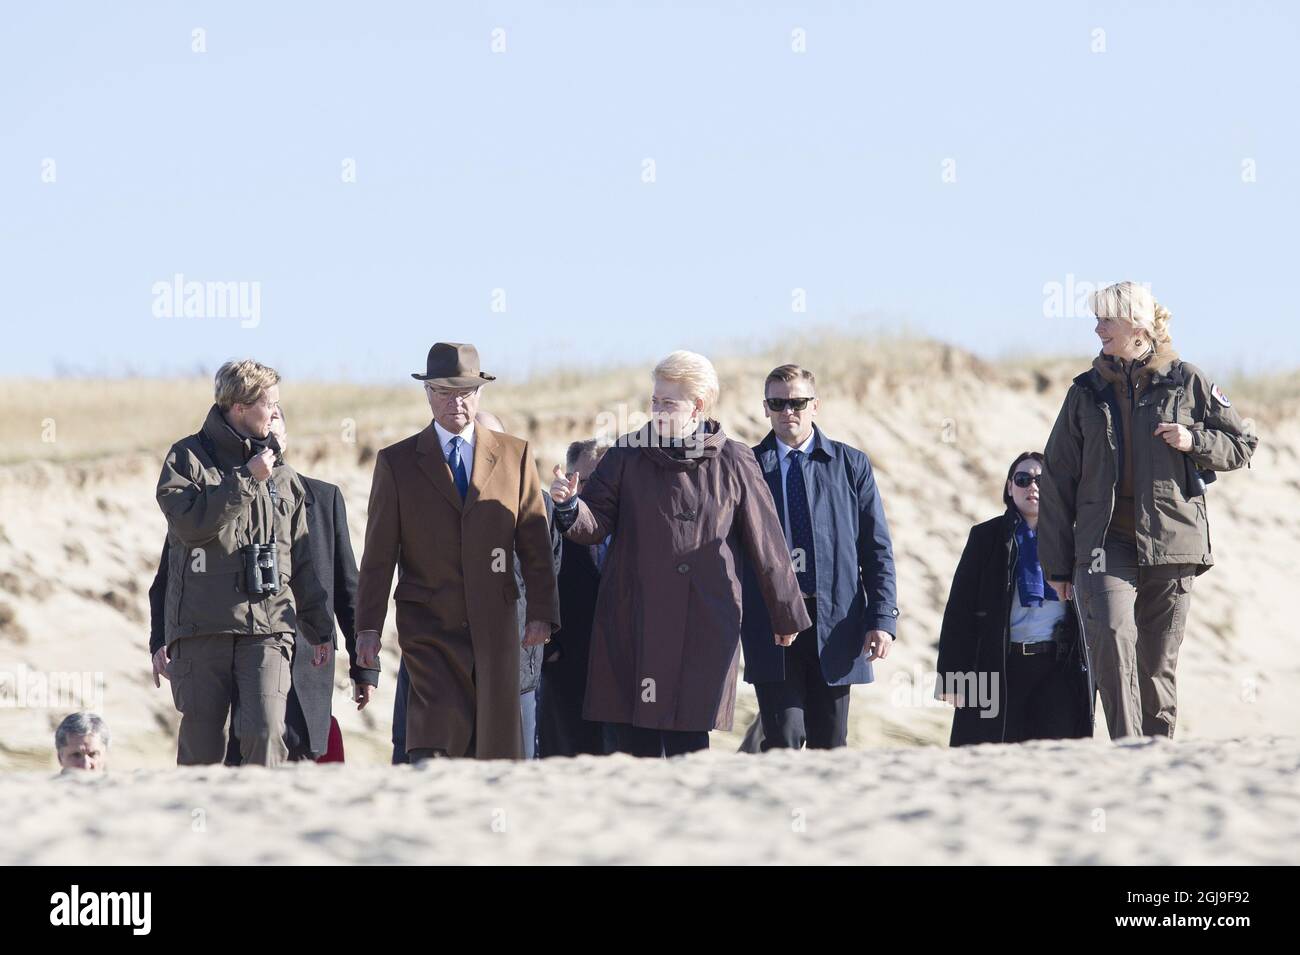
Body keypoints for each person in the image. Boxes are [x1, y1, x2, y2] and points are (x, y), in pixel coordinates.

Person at [549, 350, 809, 758]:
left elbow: (768, 543)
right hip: (635, 616)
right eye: (654, 400)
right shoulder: (626, 454)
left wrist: (786, 612)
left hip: (706, 619)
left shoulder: (735, 459)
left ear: (699, 405)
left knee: (691, 742)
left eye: (667, 402)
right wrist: (569, 507)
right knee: (638, 742)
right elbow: (594, 524)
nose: (656, 409)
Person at [1040, 282, 1258, 739]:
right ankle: (1125, 747)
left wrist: (1194, 440)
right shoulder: (1085, 392)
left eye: (1106, 320)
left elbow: (1242, 445)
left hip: (1172, 542)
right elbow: (1058, 478)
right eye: (1096, 318)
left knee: (1157, 661)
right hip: (1103, 545)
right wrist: (1057, 564)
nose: (1097, 328)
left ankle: (1157, 753)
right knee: (1113, 642)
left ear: (1137, 326)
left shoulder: (1187, 380)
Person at [355, 342, 559, 761]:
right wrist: (368, 629)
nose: (456, 402)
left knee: (496, 746)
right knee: (435, 739)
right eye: (445, 392)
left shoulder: (515, 454)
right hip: (428, 625)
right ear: (427, 393)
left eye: (465, 391)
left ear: (480, 393)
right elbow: (378, 557)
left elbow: (535, 541)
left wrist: (541, 611)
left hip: (497, 625)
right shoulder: (397, 463)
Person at [148, 412, 376, 763]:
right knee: (239, 757)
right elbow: (171, 574)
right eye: (263, 424)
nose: (268, 433)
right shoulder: (219, 497)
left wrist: (364, 668)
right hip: (241, 653)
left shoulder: (323, 497)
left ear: (284, 435)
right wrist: (160, 639)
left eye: (275, 424)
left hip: (306, 665)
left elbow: (347, 585)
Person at [155, 360, 334, 767]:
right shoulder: (185, 458)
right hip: (202, 629)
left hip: (268, 628)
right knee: (202, 747)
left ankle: (262, 826)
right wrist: (247, 479)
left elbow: (301, 558)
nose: (274, 413)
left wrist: (320, 626)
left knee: (266, 732)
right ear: (238, 406)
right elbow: (190, 526)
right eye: (267, 404)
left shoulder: (284, 476)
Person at [740, 364, 899, 750]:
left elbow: (876, 549)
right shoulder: (747, 466)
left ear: (816, 405)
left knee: (831, 742)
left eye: (797, 402)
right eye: (777, 403)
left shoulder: (851, 464)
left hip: (836, 624)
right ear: (765, 408)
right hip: (772, 624)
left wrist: (882, 618)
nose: (787, 411)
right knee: (784, 739)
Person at [390, 409, 561, 762]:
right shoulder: (431, 491)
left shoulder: (536, 502)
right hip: (438, 649)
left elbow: (547, 569)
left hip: (512, 658)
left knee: (513, 762)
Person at [936, 452, 1093, 745]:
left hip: (1059, 667)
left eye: (1042, 480)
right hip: (1000, 665)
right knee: (987, 751)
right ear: (1010, 488)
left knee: (1056, 756)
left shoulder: (1075, 538)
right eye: (1023, 480)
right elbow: (960, 610)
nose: (1032, 487)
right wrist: (952, 678)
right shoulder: (987, 537)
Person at [538, 439, 612, 758]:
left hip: (625, 669)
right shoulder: (547, 522)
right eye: (583, 480)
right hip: (566, 668)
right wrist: (550, 649)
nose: (592, 489)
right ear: (568, 478)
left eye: (603, 480)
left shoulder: (636, 523)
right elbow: (532, 583)